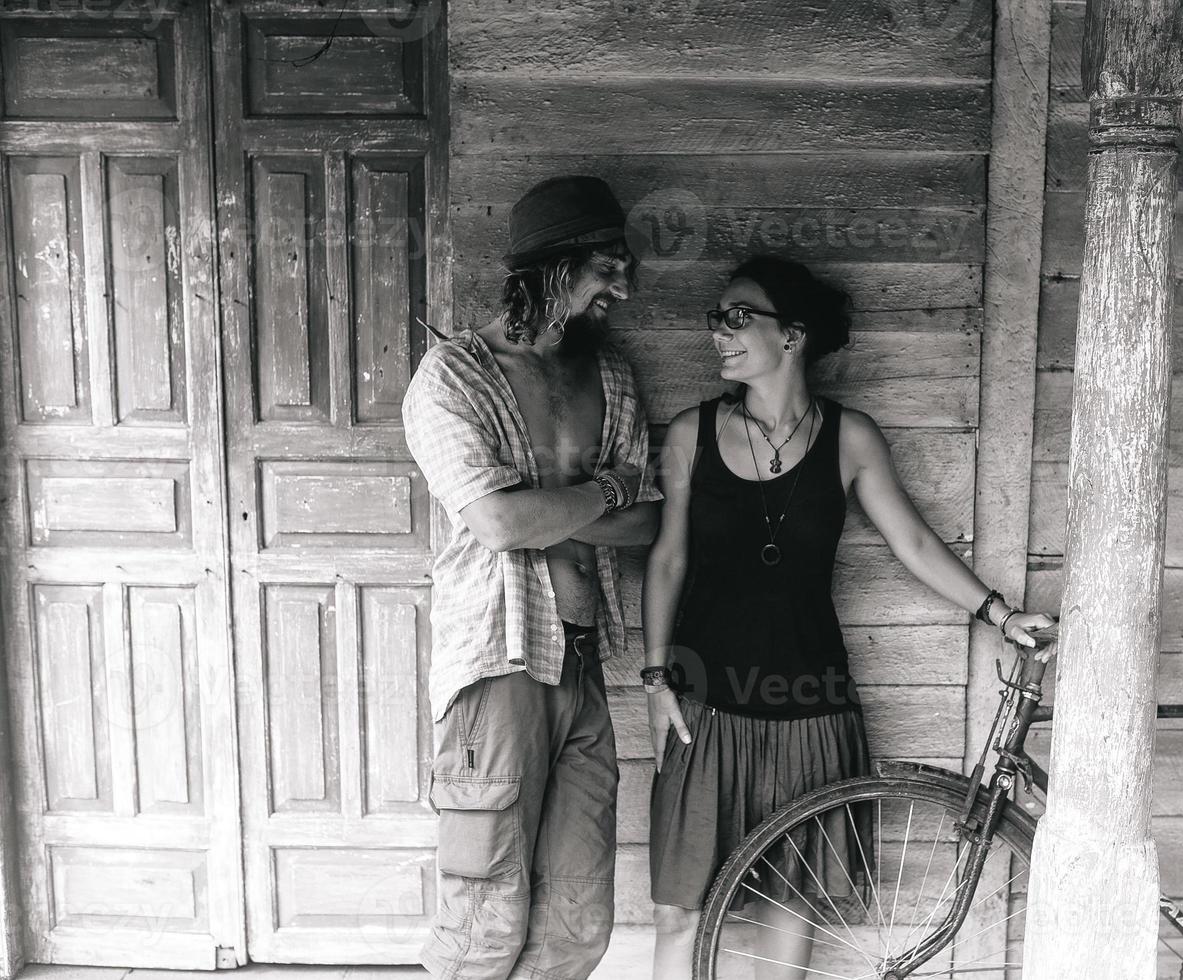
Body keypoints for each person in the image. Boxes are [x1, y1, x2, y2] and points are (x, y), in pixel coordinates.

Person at [640, 255, 1054, 979]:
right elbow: (668, 561)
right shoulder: (689, 435)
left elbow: (915, 541)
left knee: (791, 902)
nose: (719, 334)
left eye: (739, 317)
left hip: (810, 707)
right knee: (680, 910)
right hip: (704, 707)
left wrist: (997, 612)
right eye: (717, 319)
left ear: (792, 335)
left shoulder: (849, 438)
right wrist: (653, 679)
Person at [402, 175, 660, 980]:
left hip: (582, 663)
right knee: (485, 917)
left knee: (578, 919)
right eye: (607, 269)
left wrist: (550, 507)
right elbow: (498, 526)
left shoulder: (610, 376)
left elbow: (648, 520)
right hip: (496, 665)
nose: (625, 287)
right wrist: (602, 493)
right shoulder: (453, 379)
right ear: (553, 270)